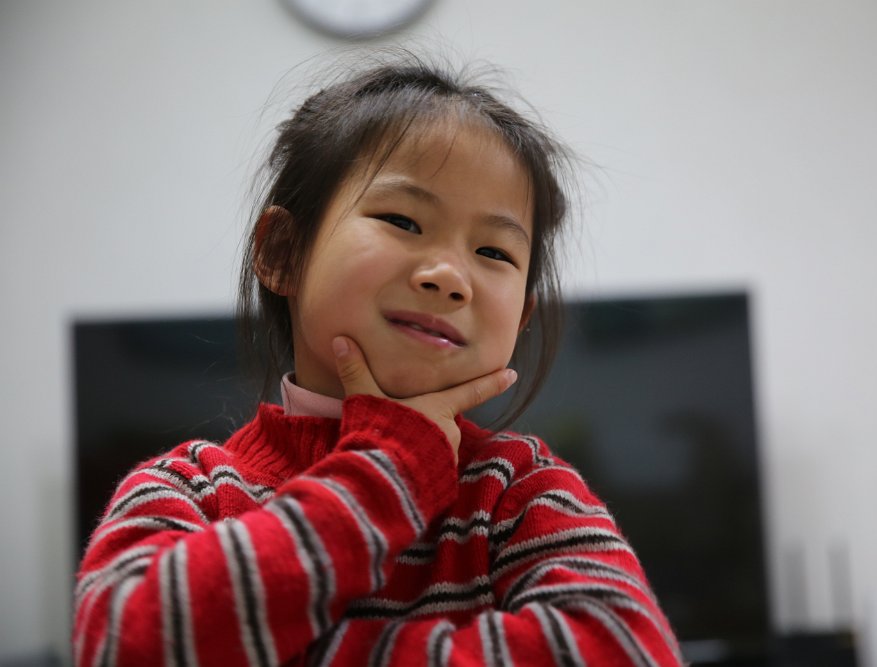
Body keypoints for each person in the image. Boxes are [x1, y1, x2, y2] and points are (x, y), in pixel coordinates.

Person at [73, 54, 685, 667]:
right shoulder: (192, 489)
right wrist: (389, 469)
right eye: (402, 220)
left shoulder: (518, 490)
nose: (450, 276)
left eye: (494, 252)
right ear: (282, 252)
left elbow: (628, 650)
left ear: (522, 315)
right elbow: (122, 648)